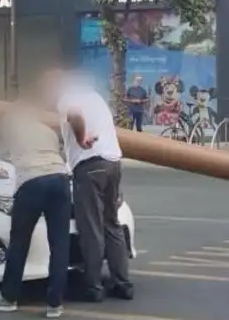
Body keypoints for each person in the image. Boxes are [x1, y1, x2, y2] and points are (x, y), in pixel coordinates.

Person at [0, 91, 71, 319]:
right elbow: (61, 151)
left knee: (19, 242)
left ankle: (8, 297)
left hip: (31, 181)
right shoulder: (45, 124)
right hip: (59, 179)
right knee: (59, 244)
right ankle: (55, 304)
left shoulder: (10, 121)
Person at [44, 69, 133, 302]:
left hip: (90, 165)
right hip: (113, 162)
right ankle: (123, 283)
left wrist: (81, 138)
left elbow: (74, 115)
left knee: (91, 227)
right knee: (111, 223)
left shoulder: (67, 98)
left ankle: (93, 287)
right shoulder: (94, 97)